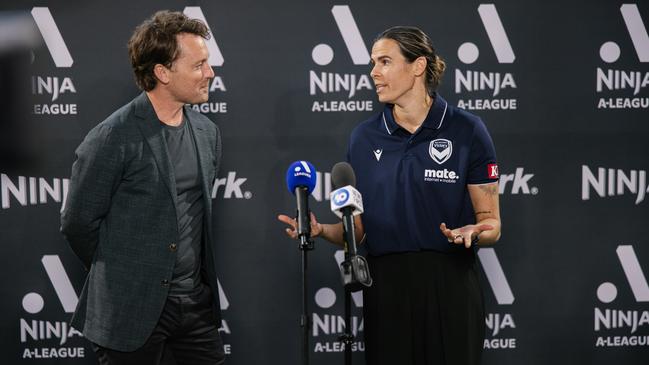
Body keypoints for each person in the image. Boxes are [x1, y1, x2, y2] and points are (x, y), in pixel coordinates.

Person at [279, 26, 501, 365]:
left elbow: (491, 223)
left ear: (417, 66)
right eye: (372, 62)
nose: (373, 72)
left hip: (451, 282)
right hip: (386, 287)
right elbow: (359, 231)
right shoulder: (364, 137)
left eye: (384, 61)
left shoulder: (467, 129)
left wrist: (474, 231)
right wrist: (322, 230)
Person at [61, 11, 225, 365]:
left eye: (207, 64)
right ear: (162, 73)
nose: (210, 73)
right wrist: (127, 270)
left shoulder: (207, 132)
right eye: (198, 65)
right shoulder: (112, 137)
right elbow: (78, 222)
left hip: (195, 307)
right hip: (130, 309)